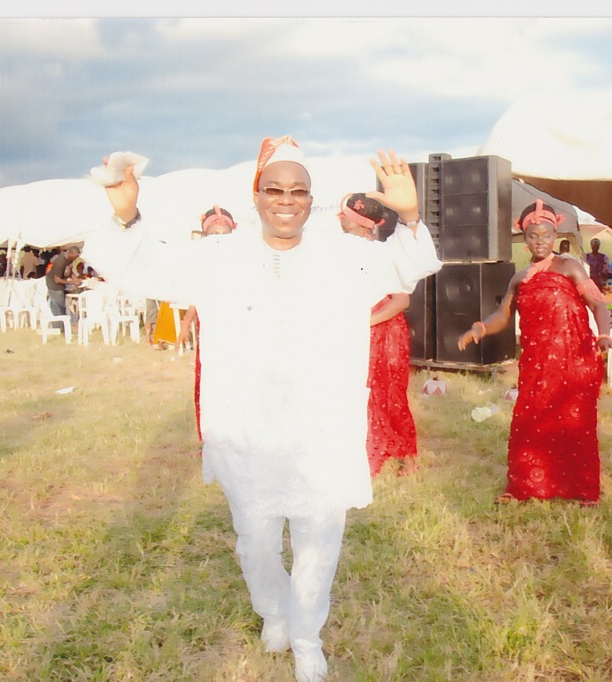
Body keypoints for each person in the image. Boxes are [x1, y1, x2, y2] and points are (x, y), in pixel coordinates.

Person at [81, 137, 440, 682]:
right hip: (247, 428)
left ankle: (306, 637)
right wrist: (127, 214)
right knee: (256, 540)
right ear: (257, 195)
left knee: (320, 536)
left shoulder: (346, 254)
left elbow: (409, 266)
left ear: (311, 198)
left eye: (298, 190)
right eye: (275, 188)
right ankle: (274, 612)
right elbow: (142, 268)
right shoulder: (216, 255)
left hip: (321, 427)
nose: (287, 199)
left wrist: (409, 213)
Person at [457, 199, 612, 505]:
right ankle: (527, 486)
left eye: (546, 235)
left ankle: (584, 490)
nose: (540, 241)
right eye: (533, 236)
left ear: (555, 236)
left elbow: (598, 302)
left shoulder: (570, 267)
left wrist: (604, 334)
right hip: (537, 362)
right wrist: (480, 328)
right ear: (524, 239)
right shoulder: (519, 278)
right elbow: (503, 314)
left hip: (573, 358)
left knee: (574, 421)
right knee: (533, 421)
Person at [337, 193, 418, 477]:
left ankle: (407, 456)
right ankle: (370, 450)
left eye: (343, 215)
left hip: (386, 329)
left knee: (391, 393)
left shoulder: (385, 254)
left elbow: (401, 301)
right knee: (361, 393)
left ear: (356, 221)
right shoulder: (342, 253)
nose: (339, 220)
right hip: (359, 329)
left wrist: (365, 322)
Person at [177, 206, 238, 442]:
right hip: (213, 336)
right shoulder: (201, 265)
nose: (220, 241)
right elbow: (197, 296)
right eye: (214, 236)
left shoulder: (244, 260)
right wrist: (185, 323)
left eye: (225, 235)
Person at [45, 246, 82, 330]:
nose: (76, 259)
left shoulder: (69, 260)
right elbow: (57, 280)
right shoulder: (60, 261)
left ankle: (60, 326)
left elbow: (69, 272)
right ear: (70, 253)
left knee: (60, 306)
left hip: (60, 285)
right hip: (54, 285)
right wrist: (72, 282)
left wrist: (76, 279)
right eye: (75, 256)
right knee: (59, 307)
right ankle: (60, 327)